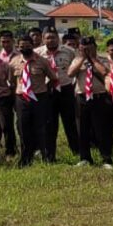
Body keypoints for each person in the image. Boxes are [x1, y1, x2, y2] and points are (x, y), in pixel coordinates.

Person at [8, 33, 59, 165]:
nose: (25, 48)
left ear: (32, 45)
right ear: (18, 47)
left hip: (39, 97)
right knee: (23, 128)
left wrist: (45, 90)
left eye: (28, 45)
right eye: (22, 46)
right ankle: (26, 158)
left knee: (42, 127)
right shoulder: (14, 62)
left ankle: (47, 156)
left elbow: (53, 79)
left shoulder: (42, 61)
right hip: (22, 98)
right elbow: (11, 81)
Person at [68, 36, 113, 167]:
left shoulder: (103, 60)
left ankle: (106, 158)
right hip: (81, 97)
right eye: (84, 48)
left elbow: (105, 71)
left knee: (101, 129)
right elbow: (70, 73)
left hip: (99, 97)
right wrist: (83, 58)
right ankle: (85, 158)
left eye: (90, 47)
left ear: (95, 47)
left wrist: (93, 59)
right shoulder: (77, 60)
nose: (87, 50)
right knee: (82, 128)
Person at [38, 29, 79, 160]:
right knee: (50, 124)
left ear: (58, 38)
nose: (51, 40)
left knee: (70, 122)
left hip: (66, 89)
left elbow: (77, 68)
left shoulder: (69, 51)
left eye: (53, 37)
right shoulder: (37, 53)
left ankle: (77, 151)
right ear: (43, 39)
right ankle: (50, 155)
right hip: (47, 91)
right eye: (48, 38)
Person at [0, 30, 20, 158]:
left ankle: (17, 148)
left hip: (18, 92)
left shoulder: (20, 55)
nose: (5, 44)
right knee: (2, 123)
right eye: (3, 41)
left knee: (19, 122)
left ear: (13, 41)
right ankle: (1, 148)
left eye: (8, 41)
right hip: (2, 94)